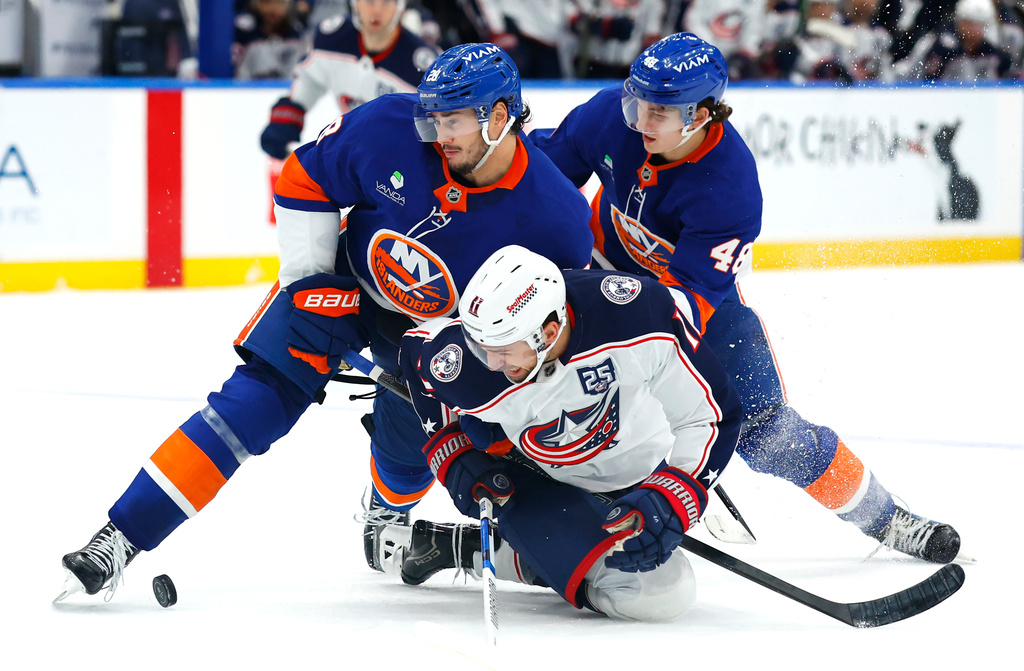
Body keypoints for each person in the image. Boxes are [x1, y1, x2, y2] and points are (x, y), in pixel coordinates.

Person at [55, 43, 595, 603]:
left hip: (440, 335)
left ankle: (387, 513)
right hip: (343, 285)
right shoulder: (389, 127)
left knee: (409, 448)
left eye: (452, 121)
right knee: (250, 405)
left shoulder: (556, 218)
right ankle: (121, 536)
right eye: (434, 118)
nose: (438, 134)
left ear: (499, 118)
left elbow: (550, 326)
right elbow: (303, 178)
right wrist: (309, 284)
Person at [529, 32, 963, 563]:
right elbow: (537, 186)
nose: (640, 121)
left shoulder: (729, 186)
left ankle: (887, 518)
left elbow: (683, 307)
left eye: (659, 112)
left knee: (770, 435)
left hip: (697, 307)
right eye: (637, 102)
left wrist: (635, 367)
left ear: (700, 114)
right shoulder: (607, 117)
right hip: (592, 273)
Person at [376, 245, 742, 621]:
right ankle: (477, 548)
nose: (491, 363)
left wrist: (676, 491)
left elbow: (712, 415)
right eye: (481, 347)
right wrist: (453, 454)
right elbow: (418, 356)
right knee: (661, 594)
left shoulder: (638, 315)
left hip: (642, 470)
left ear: (548, 333)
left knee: (653, 576)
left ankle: (536, 550)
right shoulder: (470, 363)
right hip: (537, 484)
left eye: (503, 351)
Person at [259, 0, 441, 161]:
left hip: (400, 161)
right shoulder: (332, 39)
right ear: (355, 4)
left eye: (386, 2)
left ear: (400, 8)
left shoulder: (424, 67)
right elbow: (311, 79)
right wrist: (287, 118)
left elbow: (440, 123)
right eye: (369, 1)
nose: (377, 10)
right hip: (354, 154)